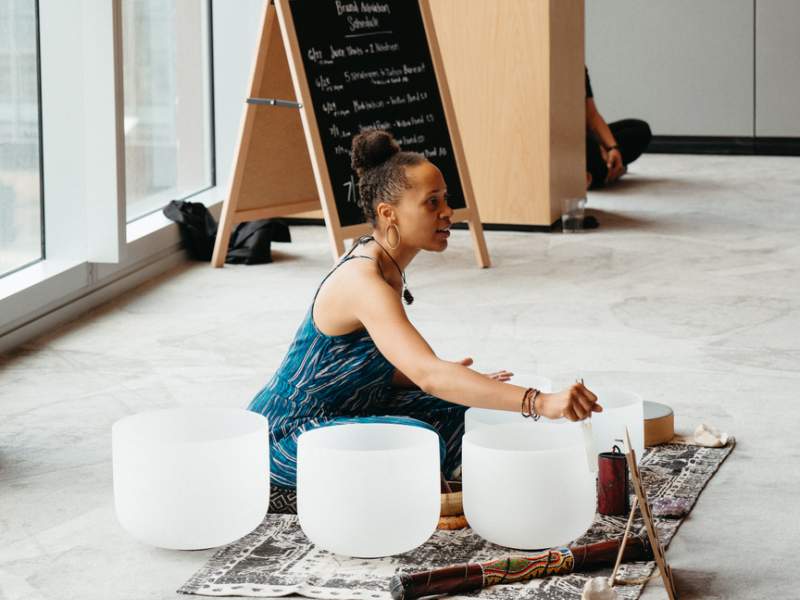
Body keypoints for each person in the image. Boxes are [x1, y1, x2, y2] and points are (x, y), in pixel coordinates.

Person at [248, 129, 602, 492]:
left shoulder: (386, 266)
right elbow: (429, 375)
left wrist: (461, 383)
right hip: (286, 433)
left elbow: (361, 364)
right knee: (418, 439)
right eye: (432, 203)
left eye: (445, 200)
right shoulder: (362, 280)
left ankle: (427, 476)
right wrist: (539, 402)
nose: (448, 213)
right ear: (390, 214)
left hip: (349, 410)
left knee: (464, 409)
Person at [585, 66, 652, 190]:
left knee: (639, 129)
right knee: (592, 151)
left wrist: (613, 148)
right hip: (568, 139)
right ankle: (602, 172)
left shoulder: (579, 67)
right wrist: (596, 144)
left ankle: (605, 169)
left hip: (588, 137)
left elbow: (592, 115)